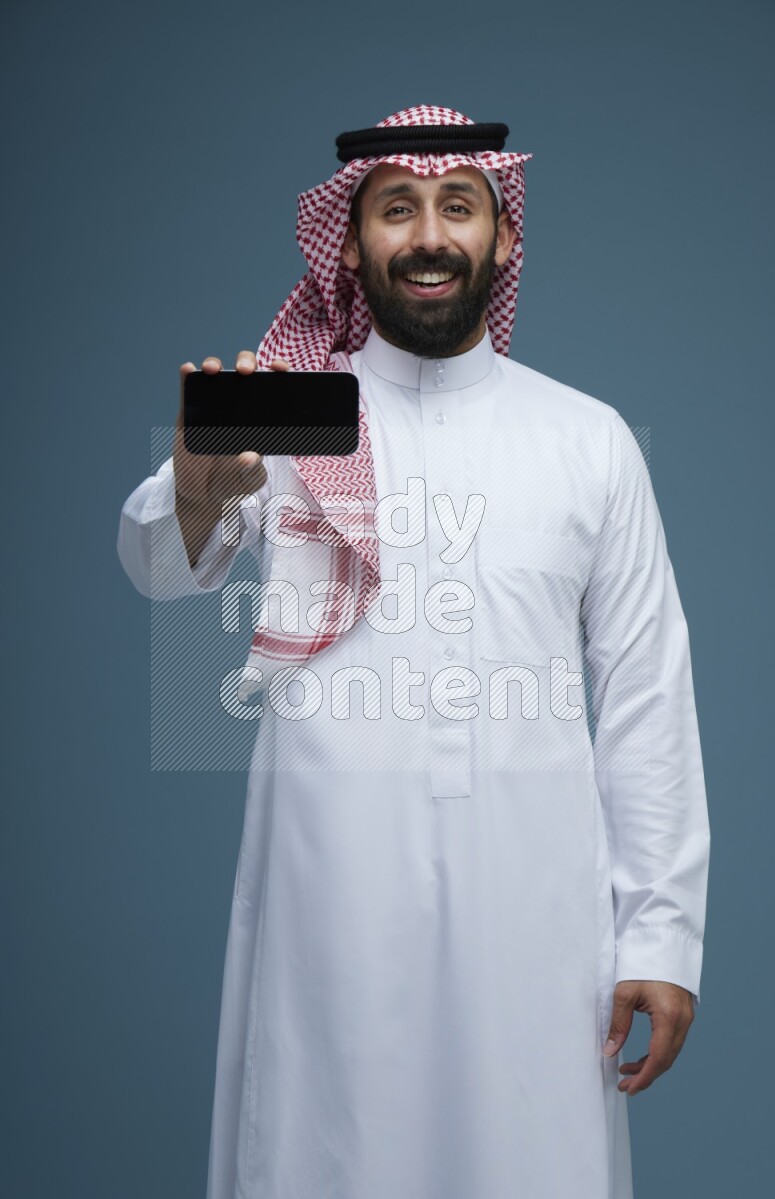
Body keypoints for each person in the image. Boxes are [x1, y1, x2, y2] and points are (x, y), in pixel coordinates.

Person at [117, 105, 710, 1199]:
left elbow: (644, 696)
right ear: (347, 242)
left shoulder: (588, 439)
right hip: (327, 900)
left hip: (535, 912)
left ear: (503, 238)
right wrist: (198, 488)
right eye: (395, 210)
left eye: (456, 207)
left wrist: (658, 939)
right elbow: (161, 565)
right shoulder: (285, 417)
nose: (427, 235)